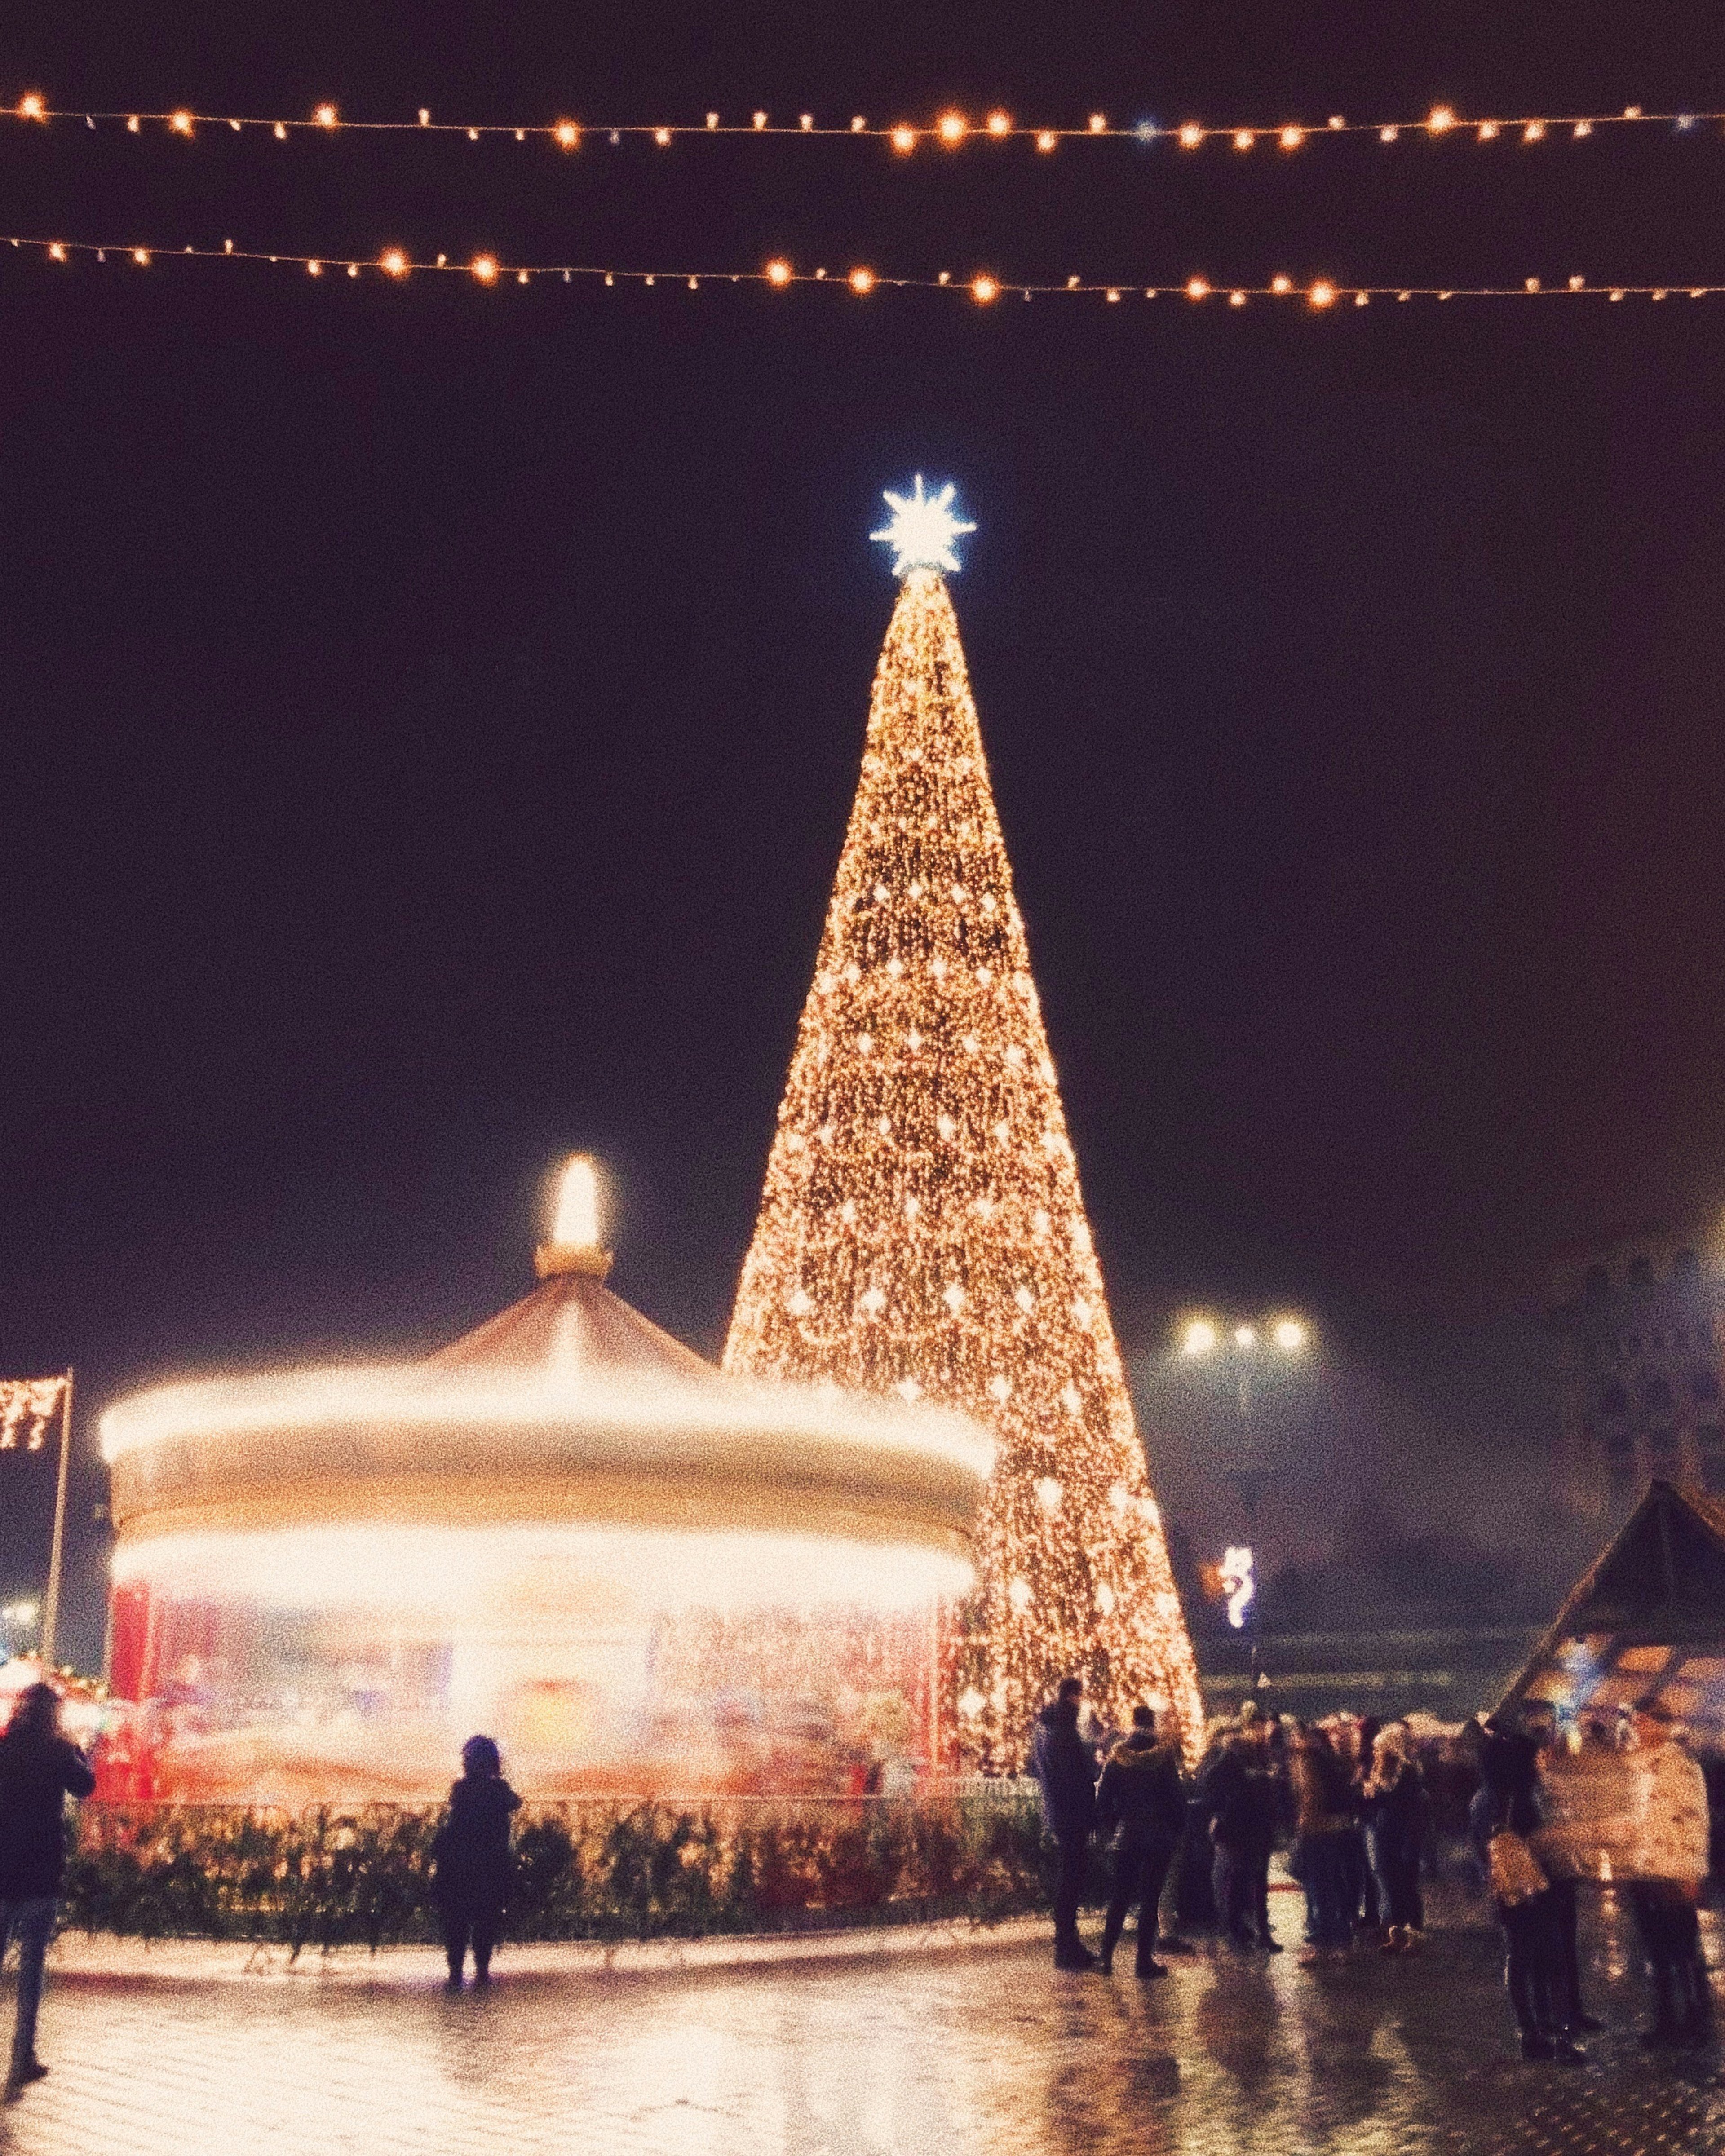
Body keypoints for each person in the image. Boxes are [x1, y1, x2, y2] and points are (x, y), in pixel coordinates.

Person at [0, 1683, 96, 2100]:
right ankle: (23, 2055)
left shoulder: (3, 1749)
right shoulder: (58, 1750)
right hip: (41, 1870)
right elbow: (86, 1786)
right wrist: (79, 1749)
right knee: (33, 1964)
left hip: (3, 1867)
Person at [1469, 1727, 1583, 2062]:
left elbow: (1480, 1850)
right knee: (1554, 1962)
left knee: (1518, 1960)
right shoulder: (1521, 1799)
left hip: (1505, 1893)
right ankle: (1562, 2039)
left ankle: (1529, 2034)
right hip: (1536, 1891)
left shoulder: (1482, 1799)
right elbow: (1540, 1846)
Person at [1624, 1700, 1713, 2049]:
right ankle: (1665, 2019)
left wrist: (1691, 1872)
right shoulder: (1637, 1765)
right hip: (1643, 1868)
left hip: (1673, 1871)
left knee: (1683, 1949)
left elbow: (1696, 1820)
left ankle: (1694, 2019)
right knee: (1656, 1951)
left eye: (1645, 1722)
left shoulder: (1682, 1765)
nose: (1639, 1729)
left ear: (1662, 1725)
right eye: (1636, 1722)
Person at [1094, 1705, 1186, 1978]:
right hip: (1158, 1839)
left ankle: (1106, 1957)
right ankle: (1143, 1962)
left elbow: (1103, 1802)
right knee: (1150, 1899)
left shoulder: (1118, 1758)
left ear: (1132, 1723)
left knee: (1120, 1898)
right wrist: (1176, 1829)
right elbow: (1176, 1800)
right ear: (1153, 1723)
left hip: (1128, 1837)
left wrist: (1113, 1827)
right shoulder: (1163, 1758)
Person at [429, 1734, 522, 1988]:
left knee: (456, 1923)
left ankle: (456, 1971)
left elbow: (454, 1824)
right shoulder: (499, 1792)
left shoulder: (461, 1789)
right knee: (485, 1921)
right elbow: (515, 1803)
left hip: (459, 1867)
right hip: (490, 1867)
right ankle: (481, 1969)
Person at [1029, 1677, 1099, 1970]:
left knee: (1070, 1874)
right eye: (1080, 1698)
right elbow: (1077, 1775)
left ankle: (1067, 1940)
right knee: (1072, 1876)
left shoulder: (1047, 1728)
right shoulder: (1063, 1731)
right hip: (1072, 1813)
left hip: (1060, 1812)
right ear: (1073, 1697)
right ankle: (1067, 1943)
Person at [1290, 1724, 1357, 1964]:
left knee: (1319, 1889)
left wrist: (1302, 1828)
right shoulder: (1328, 1758)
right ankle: (1341, 1943)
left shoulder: (1305, 1759)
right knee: (1334, 1886)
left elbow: (1311, 1796)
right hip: (1337, 1828)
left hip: (1318, 1830)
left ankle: (1325, 1945)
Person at [1360, 1723, 1428, 1953]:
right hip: (1385, 1836)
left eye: (1380, 1749)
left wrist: (1412, 1842)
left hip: (1403, 1837)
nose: (1376, 1753)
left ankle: (1414, 1936)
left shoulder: (1407, 1773)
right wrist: (1369, 1792)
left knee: (1407, 1886)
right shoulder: (1380, 1774)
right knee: (1391, 1887)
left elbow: (1414, 1811)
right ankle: (1397, 1935)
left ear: (1391, 1748)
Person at [1199, 1728, 1260, 1950]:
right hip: (1236, 1832)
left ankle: (1232, 1925)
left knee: (1227, 1879)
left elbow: (1209, 1798)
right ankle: (1234, 1927)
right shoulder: (1238, 1772)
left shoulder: (1217, 1769)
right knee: (1234, 1881)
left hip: (1226, 1831)